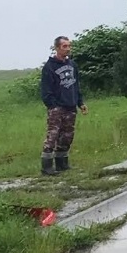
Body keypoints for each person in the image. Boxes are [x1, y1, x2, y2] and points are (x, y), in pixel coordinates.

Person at [39, 36, 86, 175]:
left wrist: (80, 102)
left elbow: (76, 85)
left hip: (70, 105)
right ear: (57, 48)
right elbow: (46, 90)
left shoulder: (72, 65)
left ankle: (62, 164)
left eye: (69, 46)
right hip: (57, 107)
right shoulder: (49, 67)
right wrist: (52, 105)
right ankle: (46, 167)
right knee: (53, 135)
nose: (68, 49)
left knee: (67, 136)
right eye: (64, 46)